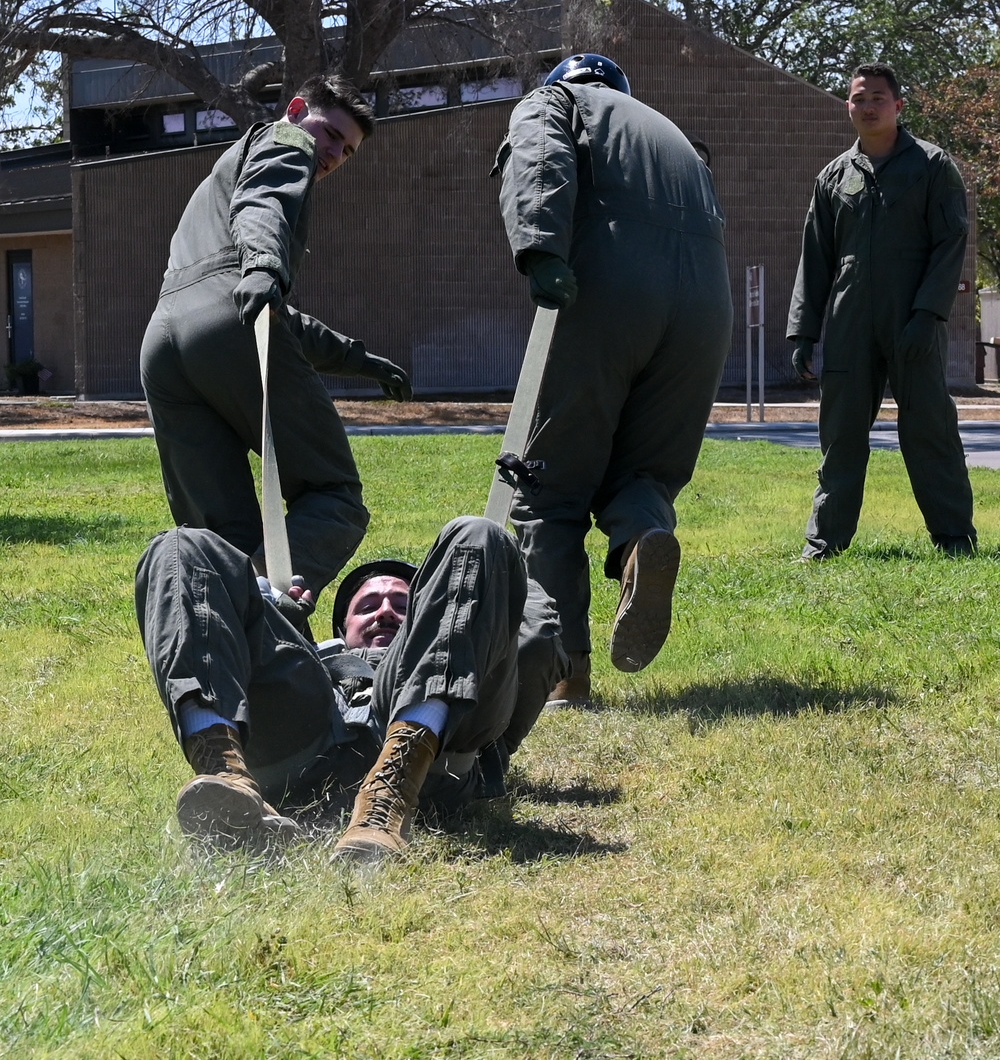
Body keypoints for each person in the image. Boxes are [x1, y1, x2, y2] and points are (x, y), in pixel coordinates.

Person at [494, 53, 733, 705]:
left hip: (610, 287)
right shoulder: (672, 134)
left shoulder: (560, 103)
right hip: (706, 306)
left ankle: (563, 675)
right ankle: (638, 547)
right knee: (646, 471)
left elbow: (539, 159)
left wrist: (541, 249)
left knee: (548, 487)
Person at [134, 516, 567, 862]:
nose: (385, 612)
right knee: (180, 546)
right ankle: (225, 771)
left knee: (479, 534)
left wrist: (466, 601)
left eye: (404, 606)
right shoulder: (315, 657)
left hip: (441, 756)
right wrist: (270, 610)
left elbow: (537, 632)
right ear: (342, 626)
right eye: (368, 606)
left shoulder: (465, 653)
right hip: (307, 739)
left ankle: (393, 787)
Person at [140, 73, 412, 600]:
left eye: (347, 150)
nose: (333, 153)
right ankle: (265, 613)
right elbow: (263, 204)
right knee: (335, 498)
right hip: (226, 327)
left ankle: (217, 643)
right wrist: (266, 264)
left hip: (163, 343)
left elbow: (264, 312)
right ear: (295, 108)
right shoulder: (285, 139)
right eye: (330, 133)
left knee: (223, 534)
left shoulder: (219, 180)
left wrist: (362, 360)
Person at [787, 62, 976, 559]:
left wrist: (928, 315)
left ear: (898, 106)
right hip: (850, 323)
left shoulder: (933, 167)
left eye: (876, 97)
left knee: (930, 428)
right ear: (848, 106)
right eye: (857, 98)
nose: (866, 106)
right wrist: (803, 332)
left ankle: (954, 536)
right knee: (841, 433)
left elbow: (951, 242)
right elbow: (816, 257)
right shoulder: (833, 177)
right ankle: (824, 541)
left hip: (914, 321)